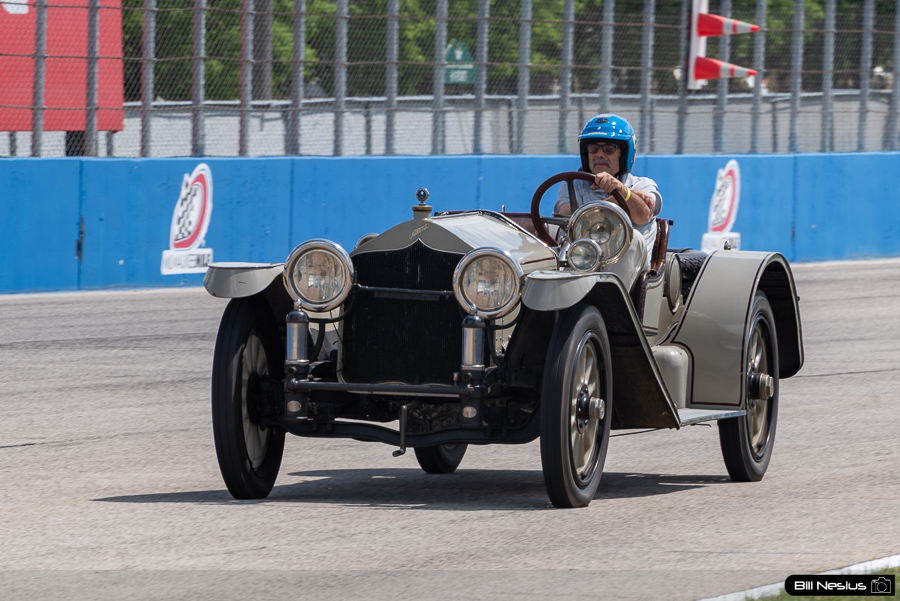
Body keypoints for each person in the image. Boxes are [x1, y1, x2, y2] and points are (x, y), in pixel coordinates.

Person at [555, 114, 662, 264]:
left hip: (625, 269)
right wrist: (620, 200)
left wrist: (621, 191)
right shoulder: (572, 184)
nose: (599, 154)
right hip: (580, 263)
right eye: (593, 148)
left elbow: (643, 215)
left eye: (609, 149)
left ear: (624, 155)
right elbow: (567, 216)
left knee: (633, 238)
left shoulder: (642, 185)